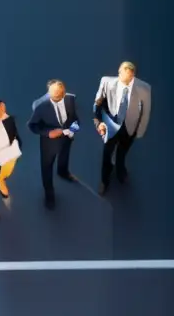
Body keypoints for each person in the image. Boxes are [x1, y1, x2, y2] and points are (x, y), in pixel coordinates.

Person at [92, 61, 152, 195]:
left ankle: (120, 170)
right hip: (111, 127)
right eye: (119, 73)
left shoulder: (144, 88)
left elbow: (146, 111)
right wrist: (99, 122)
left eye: (124, 76)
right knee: (107, 154)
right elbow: (98, 102)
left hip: (129, 128)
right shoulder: (107, 82)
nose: (119, 76)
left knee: (122, 152)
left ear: (132, 77)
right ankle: (104, 180)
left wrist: (140, 131)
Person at [28, 79, 80, 209]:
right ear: (48, 93)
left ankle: (63, 172)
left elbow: (75, 119)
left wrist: (72, 130)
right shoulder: (40, 106)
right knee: (47, 167)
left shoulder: (71, 100)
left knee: (64, 156)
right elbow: (32, 126)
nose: (57, 96)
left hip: (66, 138)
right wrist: (48, 133)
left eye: (60, 94)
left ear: (64, 92)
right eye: (53, 94)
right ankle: (49, 195)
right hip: (49, 143)